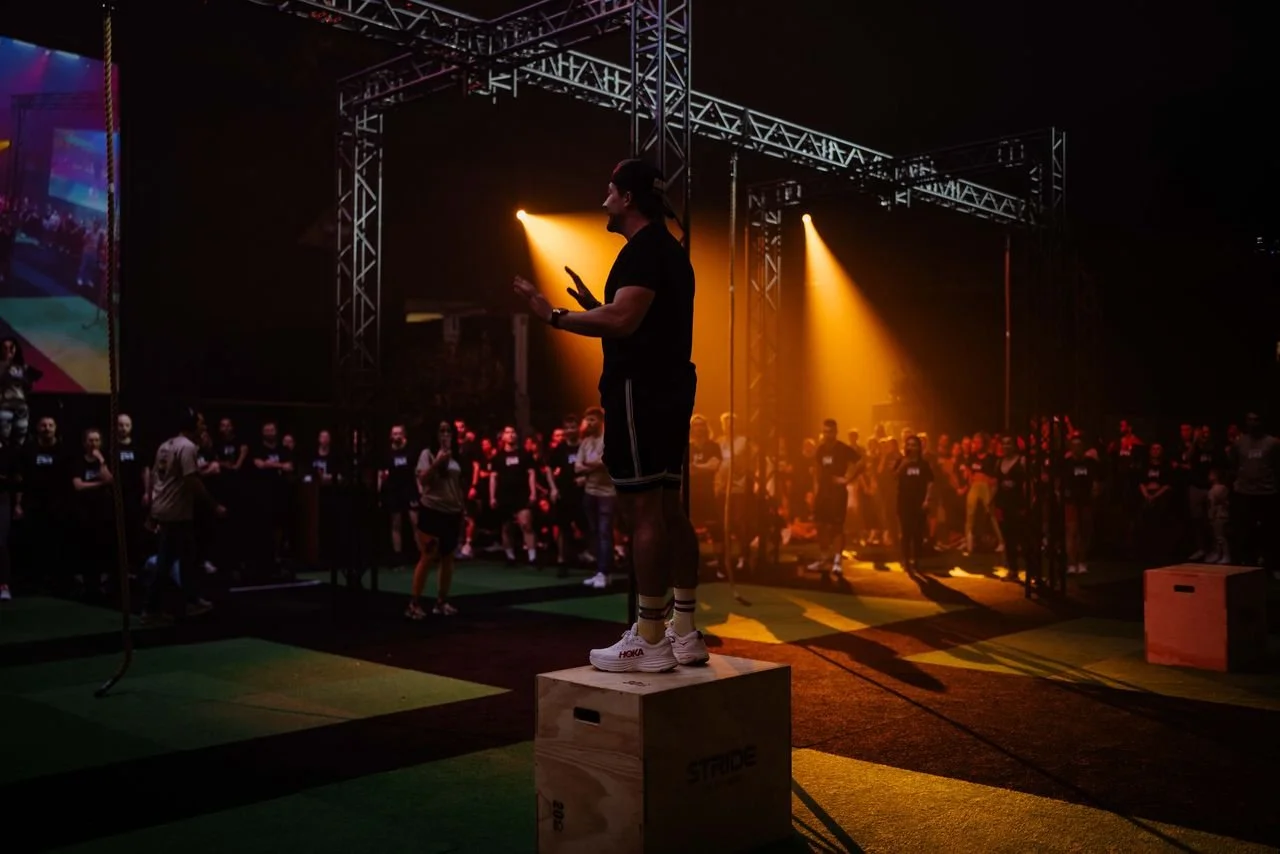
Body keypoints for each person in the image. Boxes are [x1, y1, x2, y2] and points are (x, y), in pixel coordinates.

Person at [512, 157, 706, 672]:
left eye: (610, 191)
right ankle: (683, 631)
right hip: (668, 386)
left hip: (639, 391)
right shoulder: (669, 252)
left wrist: (553, 314)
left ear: (627, 198)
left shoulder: (643, 251)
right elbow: (638, 318)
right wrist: (594, 303)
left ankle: (649, 638)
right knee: (669, 510)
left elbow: (622, 320)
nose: (603, 199)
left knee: (645, 513)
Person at [144, 407, 225, 623]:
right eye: (200, 423)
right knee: (177, 560)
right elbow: (192, 481)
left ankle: (186, 601)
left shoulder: (165, 445)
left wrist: (152, 510)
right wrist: (213, 505)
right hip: (177, 512)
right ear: (190, 425)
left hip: (164, 508)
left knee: (178, 558)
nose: (204, 426)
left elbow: (155, 478)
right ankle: (168, 606)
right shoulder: (188, 448)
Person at [406, 420, 464, 619]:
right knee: (428, 555)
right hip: (432, 510)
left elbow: (457, 485)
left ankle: (441, 602)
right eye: (441, 431)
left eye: (448, 431)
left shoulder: (457, 457)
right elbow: (423, 480)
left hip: (452, 512)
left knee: (448, 558)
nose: (445, 434)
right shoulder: (427, 454)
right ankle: (414, 603)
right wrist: (438, 462)